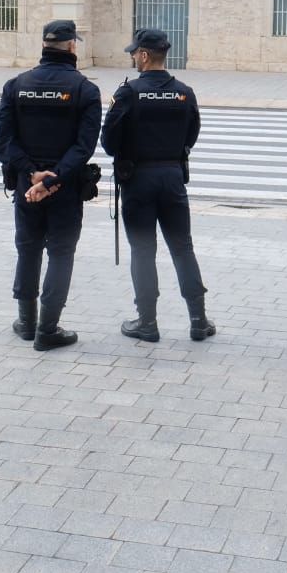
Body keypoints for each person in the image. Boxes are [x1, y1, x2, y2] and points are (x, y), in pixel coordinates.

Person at [0, 19, 101, 352]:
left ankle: (26, 323)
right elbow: (84, 147)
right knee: (61, 253)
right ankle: (47, 329)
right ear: (71, 47)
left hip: (27, 188)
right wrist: (53, 178)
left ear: (43, 45)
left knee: (28, 249)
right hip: (65, 187)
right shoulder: (85, 90)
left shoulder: (16, 85)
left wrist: (32, 175)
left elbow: (2, 143)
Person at [101, 28, 214, 342]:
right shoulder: (184, 92)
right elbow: (192, 136)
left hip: (137, 181)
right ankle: (198, 321)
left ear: (145, 55)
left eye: (134, 53)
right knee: (182, 248)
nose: (132, 57)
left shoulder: (128, 93)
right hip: (172, 178)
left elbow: (109, 142)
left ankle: (147, 323)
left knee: (142, 250)